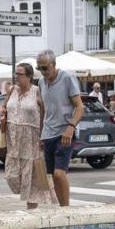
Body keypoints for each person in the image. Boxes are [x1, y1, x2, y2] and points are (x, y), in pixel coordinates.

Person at [0, 62, 56, 210]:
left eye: (20, 74)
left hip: (32, 138)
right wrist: (2, 113)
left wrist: (44, 135)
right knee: (11, 175)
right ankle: (28, 199)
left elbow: (45, 114)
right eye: (15, 74)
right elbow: (4, 107)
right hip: (13, 138)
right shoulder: (11, 90)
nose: (17, 77)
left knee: (33, 177)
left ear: (29, 76)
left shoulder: (37, 91)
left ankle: (32, 209)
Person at [36, 49, 84, 208]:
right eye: (40, 68)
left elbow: (79, 107)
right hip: (48, 133)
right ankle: (63, 209)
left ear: (54, 64)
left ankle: (66, 209)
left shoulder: (67, 78)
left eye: (45, 68)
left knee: (59, 173)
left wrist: (70, 128)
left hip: (65, 132)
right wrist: (41, 134)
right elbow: (44, 110)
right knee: (52, 175)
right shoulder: (41, 83)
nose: (43, 72)